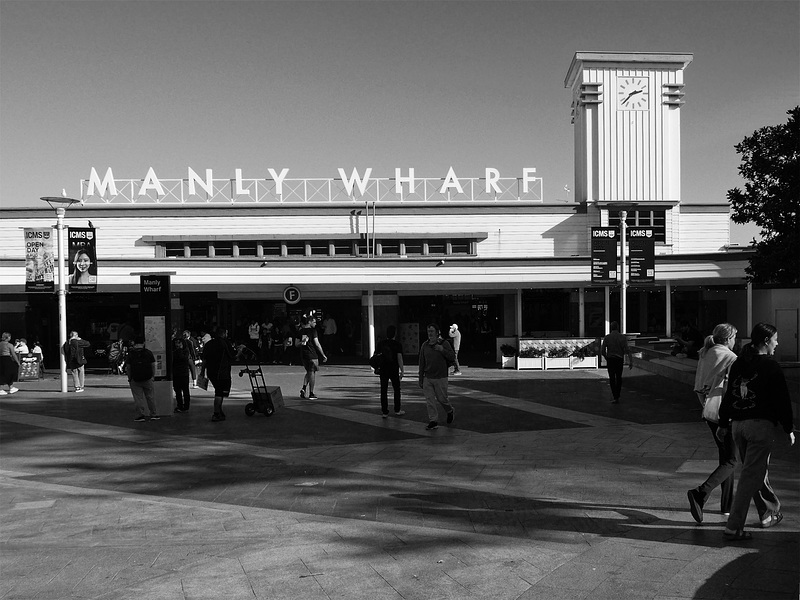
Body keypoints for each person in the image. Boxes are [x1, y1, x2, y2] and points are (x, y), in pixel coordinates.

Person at [716, 322, 795, 541]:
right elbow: (782, 400)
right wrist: (788, 428)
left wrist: (723, 423)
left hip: (738, 426)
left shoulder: (739, 364)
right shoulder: (771, 366)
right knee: (751, 475)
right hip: (760, 427)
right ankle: (734, 526)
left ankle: (767, 513)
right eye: (776, 339)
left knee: (755, 471)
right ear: (766, 341)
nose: (778, 343)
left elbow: (729, 394)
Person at [687, 323, 739, 523]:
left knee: (725, 458)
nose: (736, 341)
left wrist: (705, 406)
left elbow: (698, 386)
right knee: (732, 460)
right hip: (725, 413)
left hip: (709, 411)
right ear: (728, 339)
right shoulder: (730, 358)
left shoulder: (705, 353)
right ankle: (700, 493)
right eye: (735, 337)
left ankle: (727, 505)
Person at [418, 324, 456, 430]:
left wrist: (442, 349)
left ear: (437, 332)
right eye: (428, 331)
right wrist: (421, 378)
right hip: (428, 377)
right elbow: (422, 362)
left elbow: (452, 356)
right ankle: (433, 420)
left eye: (432, 331)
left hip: (441, 377)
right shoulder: (425, 346)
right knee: (430, 400)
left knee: (442, 399)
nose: (430, 333)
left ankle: (449, 410)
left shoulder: (444, 343)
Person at [201, 326, 237, 422]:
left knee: (218, 391)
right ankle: (216, 413)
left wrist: (202, 372)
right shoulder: (224, 343)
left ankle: (219, 411)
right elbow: (233, 355)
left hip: (211, 373)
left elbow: (204, 360)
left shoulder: (209, 344)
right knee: (219, 393)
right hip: (222, 373)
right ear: (223, 334)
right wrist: (241, 350)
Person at [125, 335, 159, 421]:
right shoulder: (148, 353)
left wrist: (130, 378)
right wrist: (152, 376)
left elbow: (128, 367)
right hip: (148, 378)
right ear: (143, 343)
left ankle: (140, 415)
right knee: (150, 397)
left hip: (135, 379)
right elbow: (153, 365)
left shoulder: (131, 354)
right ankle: (153, 414)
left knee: (138, 398)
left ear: (134, 344)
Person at [600, 321, 634, 403]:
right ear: (618, 328)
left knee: (612, 378)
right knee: (619, 377)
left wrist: (606, 357)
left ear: (611, 328)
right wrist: (631, 361)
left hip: (611, 359)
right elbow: (627, 350)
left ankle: (614, 395)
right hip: (619, 359)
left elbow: (602, 350)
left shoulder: (607, 337)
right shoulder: (622, 337)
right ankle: (617, 395)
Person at [377, 325, 405, 418]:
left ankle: (384, 411)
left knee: (383, 390)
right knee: (396, 389)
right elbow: (399, 358)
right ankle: (397, 409)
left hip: (383, 369)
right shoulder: (397, 344)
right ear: (395, 334)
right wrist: (402, 370)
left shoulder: (381, 344)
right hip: (394, 369)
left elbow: (376, 356)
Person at [299, 314, 327, 399]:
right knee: (312, 373)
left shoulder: (301, 331)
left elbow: (296, 343)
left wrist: (302, 342)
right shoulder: (313, 331)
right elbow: (317, 344)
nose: (315, 324)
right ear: (310, 322)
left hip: (304, 355)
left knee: (308, 371)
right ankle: (311, 393)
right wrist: (323, 355)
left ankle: (304, 388)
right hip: (312, 355)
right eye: (314, 322)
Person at [171, 336, 192, 413]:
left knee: (183, 390)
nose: (177, 344)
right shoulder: (185, 351)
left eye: (179, 343)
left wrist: (178, 350)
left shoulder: (179, 352)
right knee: (179, 391)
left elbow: (181, 358)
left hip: (181, 373)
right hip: (181, 373)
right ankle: (181, 405)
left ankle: (183, 405)